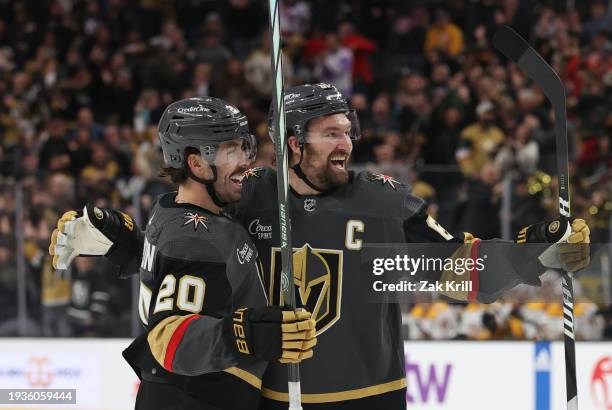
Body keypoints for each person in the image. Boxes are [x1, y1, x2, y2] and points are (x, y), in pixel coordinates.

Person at [51, 85, 591, 410]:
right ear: (294, 142)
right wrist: (120, 241)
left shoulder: (382, 205)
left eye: (348, 131)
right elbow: (189, 255)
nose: (347, 143)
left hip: (368, 401)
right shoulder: (250, 196)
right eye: (331, 133)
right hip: (270, 400)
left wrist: (533, 254)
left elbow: (455, 273)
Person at [50, 97, 316, 410]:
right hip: (195, 397)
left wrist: (130, 245)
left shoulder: (173, 208)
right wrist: (251, 333)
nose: (245, 160)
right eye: (231, 150)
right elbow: (170, 339)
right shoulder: (194, 239)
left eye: (244, 147)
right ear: (196, 163)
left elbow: (186, 278)